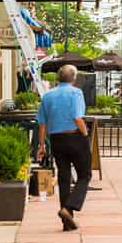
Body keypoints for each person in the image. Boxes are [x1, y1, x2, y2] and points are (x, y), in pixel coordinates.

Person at [36, 64, 90, 231]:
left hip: (56, 139)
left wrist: (41, 145)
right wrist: (85, 134)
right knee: (84, 175)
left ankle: (67, 222)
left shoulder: (48, 96)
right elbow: (77, 118)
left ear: (58, 78)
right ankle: (68, 208)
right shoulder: (76, 93)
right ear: (74, 78)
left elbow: (42, 124)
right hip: (74, 136)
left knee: (64, 177)